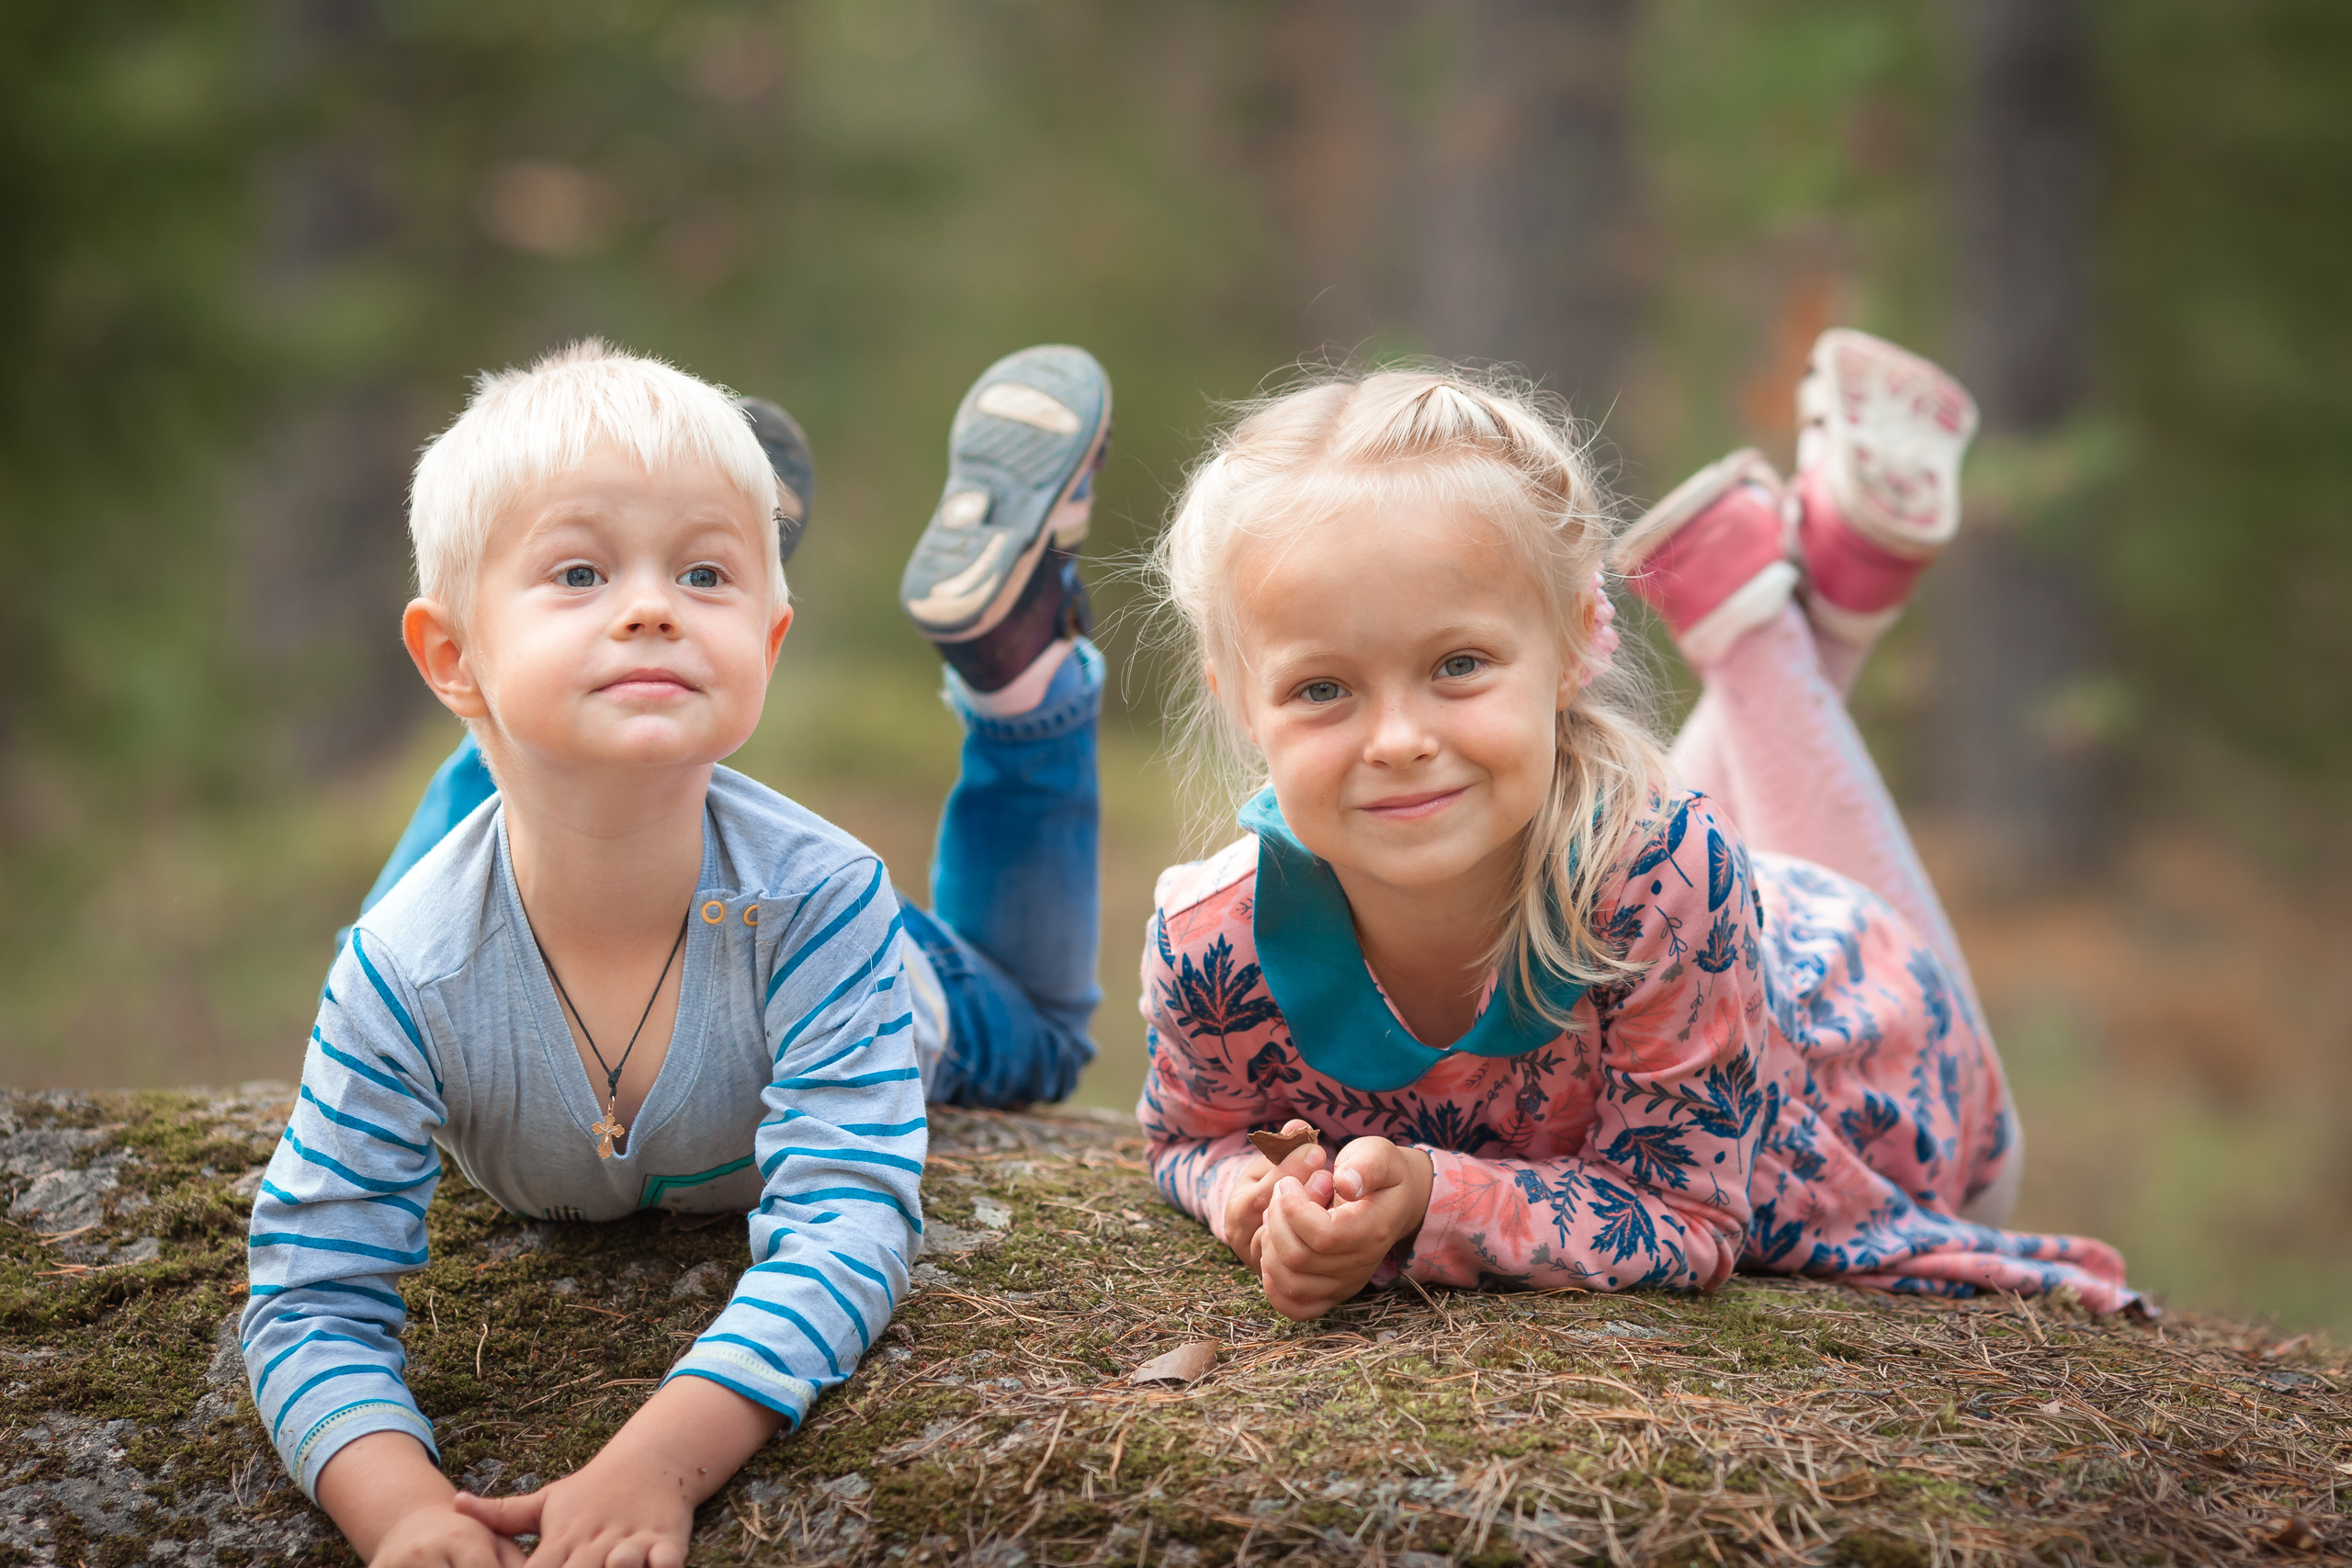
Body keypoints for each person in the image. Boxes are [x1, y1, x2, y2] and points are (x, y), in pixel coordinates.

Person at [243, 338, 1112, 1567]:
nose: (648, 600)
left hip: (811, 947)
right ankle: (571, 682)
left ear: (776, 641)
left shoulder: (826, 908)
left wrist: (658, 1460)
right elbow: (308, 1294)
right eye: (584, 570)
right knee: (424, 913)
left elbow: (845, 1219)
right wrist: (397, 1508)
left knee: (1032, 1033)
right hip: (488, 886)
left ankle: (1018, 662)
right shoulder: (399, 970)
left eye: (698, 574)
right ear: (444, 655)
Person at [1136, 332, 2137, 1323]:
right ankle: (1832, 579)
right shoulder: (1209, 944)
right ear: (1238, 701)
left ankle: (1769, 624)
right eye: (1322, 688)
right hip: (1652, 903)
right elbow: (1187, 1140)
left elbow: (1687, 1217)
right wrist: (1248, 1196)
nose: (1397, 740)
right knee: (1611, 837)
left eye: (1457, 665)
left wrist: (1426, 1199)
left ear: (1576, 644)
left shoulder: (1670, 877)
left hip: (1858, 1053)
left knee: (1647, 856)